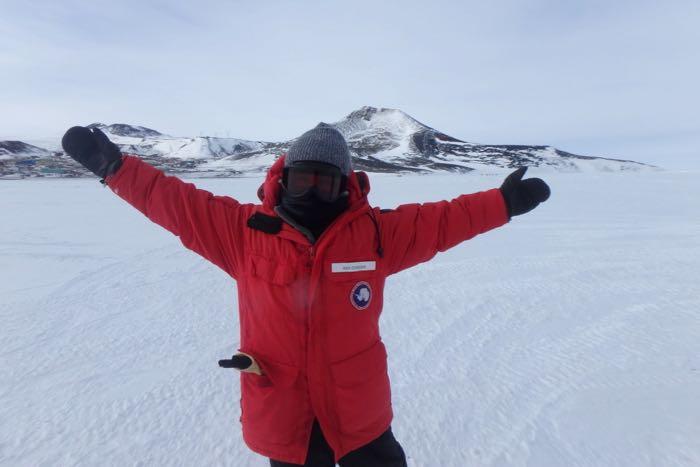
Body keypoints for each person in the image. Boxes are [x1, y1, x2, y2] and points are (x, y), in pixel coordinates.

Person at [61, 122, 550, 467]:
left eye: (325, 181)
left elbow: (443, 220)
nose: (313, 191)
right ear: (283, 177)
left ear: (345, 185)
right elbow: (174, 202)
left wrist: (501, 203)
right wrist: (115, 167)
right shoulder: (244, 231)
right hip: (283, 406)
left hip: (357, 405)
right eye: (303, 178)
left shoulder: (376, 234)